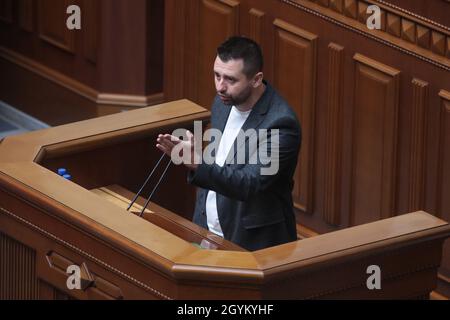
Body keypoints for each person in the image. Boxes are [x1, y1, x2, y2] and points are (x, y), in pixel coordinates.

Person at [157, 36, 301, 251]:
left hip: (252, 244)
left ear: (256, 79)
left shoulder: (281, 125)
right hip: (207, 232)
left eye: (231, 80)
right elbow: (220, 160)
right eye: (217, 75)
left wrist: (198, 163)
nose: (220, 87)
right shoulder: (223, 103)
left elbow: (250, 183)